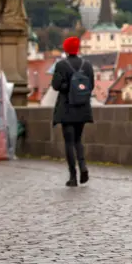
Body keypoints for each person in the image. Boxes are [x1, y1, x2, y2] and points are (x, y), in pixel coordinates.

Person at [52, 36, 95, 187]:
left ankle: (73, 176)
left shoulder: (61, 65)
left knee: (69, 142)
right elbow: (91, 86)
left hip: (67, 108)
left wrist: (67, 87)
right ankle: (83, 167)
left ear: (66, 48)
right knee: (78, 140)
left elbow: (56, 86)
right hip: (82, 107)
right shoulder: (87, 65)